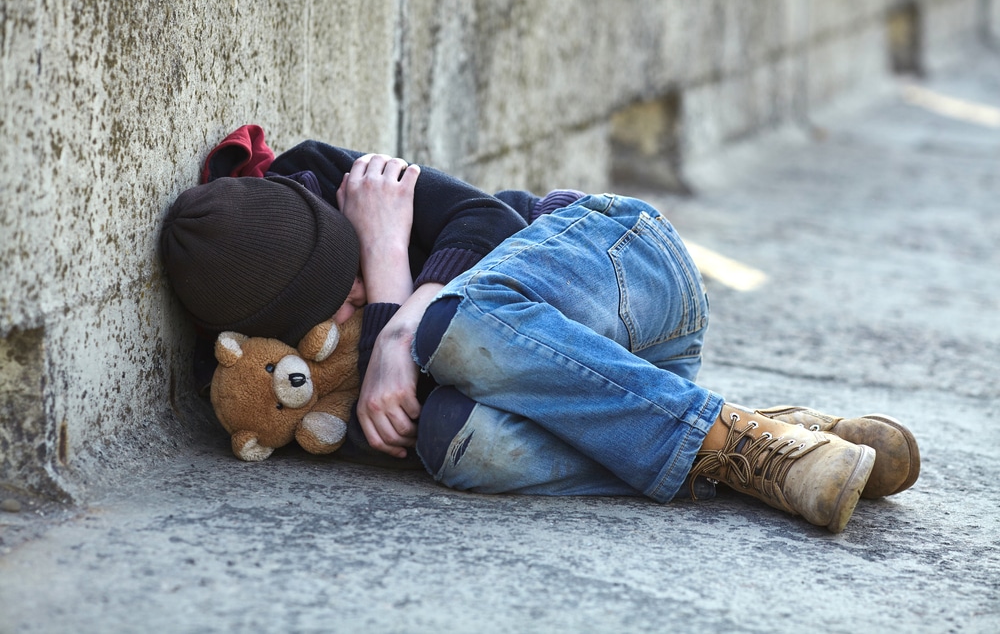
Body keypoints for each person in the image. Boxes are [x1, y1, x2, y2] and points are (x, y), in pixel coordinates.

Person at [161, 142, 920, 533]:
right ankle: (759, 439)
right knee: (453, 443)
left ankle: (732, 445)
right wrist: (385, 270)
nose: (358, 291)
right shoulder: (264, 372)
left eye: (347, 264)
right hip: (611, 380)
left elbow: (486, 219)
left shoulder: (337, 179)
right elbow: (376, 424)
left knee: (447, 325)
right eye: (339, 301)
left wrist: (395, 297)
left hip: (626, 269)